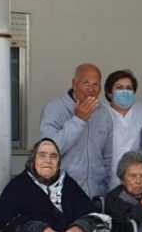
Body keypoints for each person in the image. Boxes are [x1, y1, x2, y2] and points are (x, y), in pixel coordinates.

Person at [40, 64, 112, 199]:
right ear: (74, 83)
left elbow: (107, 157)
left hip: (96, 195)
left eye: (96, 84)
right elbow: (48, 151)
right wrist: (78, 120)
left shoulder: (103, 114)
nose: (91, 89)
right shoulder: (54, 109)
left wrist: (105, 188)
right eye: (86, 83)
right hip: (63, 194)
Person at [102, 70, 142, 190]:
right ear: (109, 93)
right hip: (110, 180)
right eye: (119, 88)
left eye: (129, 88)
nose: (125, 91)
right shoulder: (100, 113)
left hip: (138, 180)